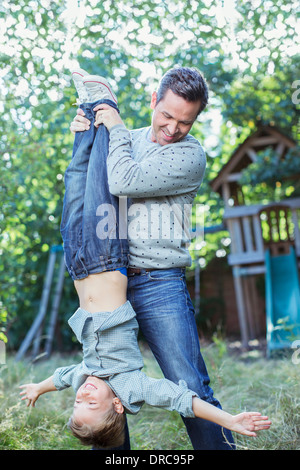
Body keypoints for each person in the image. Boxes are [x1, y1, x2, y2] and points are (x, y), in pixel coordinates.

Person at [19, 69, 271, 450]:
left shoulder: (190, 155)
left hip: (157, 282)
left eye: (185, 122)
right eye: (167, 115)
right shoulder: (125, 137)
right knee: (107, 385)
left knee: (188, 382)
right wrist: (88, 131)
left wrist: (112, 126)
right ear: (154, 101)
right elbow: (93, 187)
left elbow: (121, 181)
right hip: (110, 271)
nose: (172, 128)